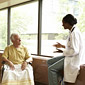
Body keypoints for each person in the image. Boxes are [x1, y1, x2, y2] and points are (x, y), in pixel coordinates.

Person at [47, 14, 85, 85]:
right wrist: (61, 46)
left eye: (63, 23)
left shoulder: (75, 33)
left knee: (51, 69)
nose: (62, 25)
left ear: (68, 23)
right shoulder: (71, 31)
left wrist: (62, 51)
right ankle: (60, 80)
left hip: (73, 59)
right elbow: (72, 46)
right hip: (69, 56)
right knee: (49, 61)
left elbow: (75, 51)